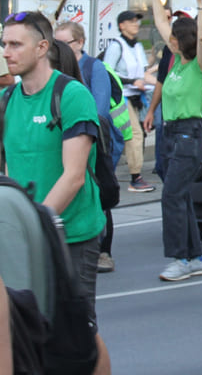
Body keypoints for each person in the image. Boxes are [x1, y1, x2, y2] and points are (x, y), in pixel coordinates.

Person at [1, 10, 110, 370]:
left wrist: (35, 227)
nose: (6, 52)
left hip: (72, 234)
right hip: (26, 236)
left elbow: (74, 175)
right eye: (4, 44)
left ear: (42, 47)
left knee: (79, 333)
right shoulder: (7, 101)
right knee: (28, 330)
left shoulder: (71, 94)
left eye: (16, 44)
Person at [145, 0, 202, 283]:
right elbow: (160, 20)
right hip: (171, 133)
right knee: (180, 196)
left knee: (171, 195)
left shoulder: (200, 66)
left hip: (188, 134)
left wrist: (200, 4)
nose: (167, 39)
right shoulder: (173, 60)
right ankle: (195, 257)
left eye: (173, 37)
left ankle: (179, 258)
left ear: (181, 41)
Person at [53, 22, 126, 275]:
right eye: (56, 44)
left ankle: (103, 250)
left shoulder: (94, 67)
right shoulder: (54, 72)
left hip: (96, 140)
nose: (58, 49)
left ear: (80, 43)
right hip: (67, 139)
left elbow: (100, 110)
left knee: (97, 189)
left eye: (64, 44)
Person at [102, 10, 154, 194]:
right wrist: (132, 82)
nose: (136, 25)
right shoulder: (117, 45)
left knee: (134, 135)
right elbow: (107, 71)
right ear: (121, 25)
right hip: (120, 97)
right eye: (131, 21)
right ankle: (135, 177)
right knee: (135, 134)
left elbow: (143, 71)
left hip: (137, 96)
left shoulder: (137, 46)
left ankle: (114, 172)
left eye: (137, 22)